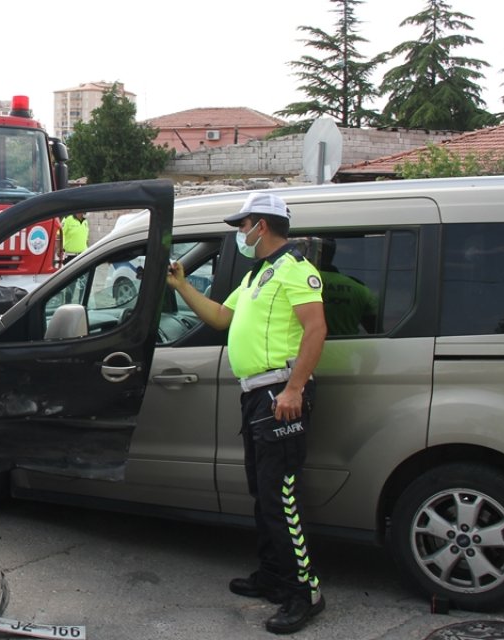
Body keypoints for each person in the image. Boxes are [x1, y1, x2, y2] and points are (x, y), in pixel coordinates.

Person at [166, 192, 327, 634]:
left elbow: (317, 329)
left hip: (280, 395)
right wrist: (182, 286)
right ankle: (274, 576)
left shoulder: (296, 270)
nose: (240, 233)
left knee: (282, 499)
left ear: (262, 224)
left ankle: (305, 591)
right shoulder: (259, 275)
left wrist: (294, 388)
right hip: (257, 397)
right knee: (264, 493)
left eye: (243, 225)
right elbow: (220, 318)